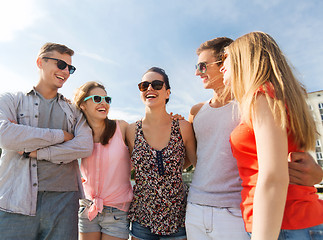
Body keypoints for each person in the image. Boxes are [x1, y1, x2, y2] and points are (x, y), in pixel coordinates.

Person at [186, 37, 323, 240]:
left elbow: (278, 168)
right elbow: (193, 157)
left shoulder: (255, 99)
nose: (197, 72)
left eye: (203, 66)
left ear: (226, 63)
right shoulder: (197, 111)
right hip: (204, 207)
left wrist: (317, 174)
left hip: (246, 215)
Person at [0, 42, 93, 240]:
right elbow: (5, 136)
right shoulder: (9, 100)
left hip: (64, 204)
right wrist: (60, 136)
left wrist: (35, 149)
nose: (66, 71)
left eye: (70, 68)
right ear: (40, 62)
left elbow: (84, 145)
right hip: (13, 201)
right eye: (61, 64)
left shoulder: (75, 111)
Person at [126, 67, 197, 240]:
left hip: (177, 219)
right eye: (144, 86)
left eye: (157, 84)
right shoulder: (130, 130)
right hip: (142, 218)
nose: (150, 88)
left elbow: (198, 165)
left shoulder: (183, 128)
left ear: (167, 93)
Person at [73, 81, 133, 240]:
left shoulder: (123, 128)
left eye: (107, 100)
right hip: (87, 208)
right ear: (83, 104)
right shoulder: (78, 134)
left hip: (117, 212)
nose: (104, 103)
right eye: (97, 99)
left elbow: (147, 145)